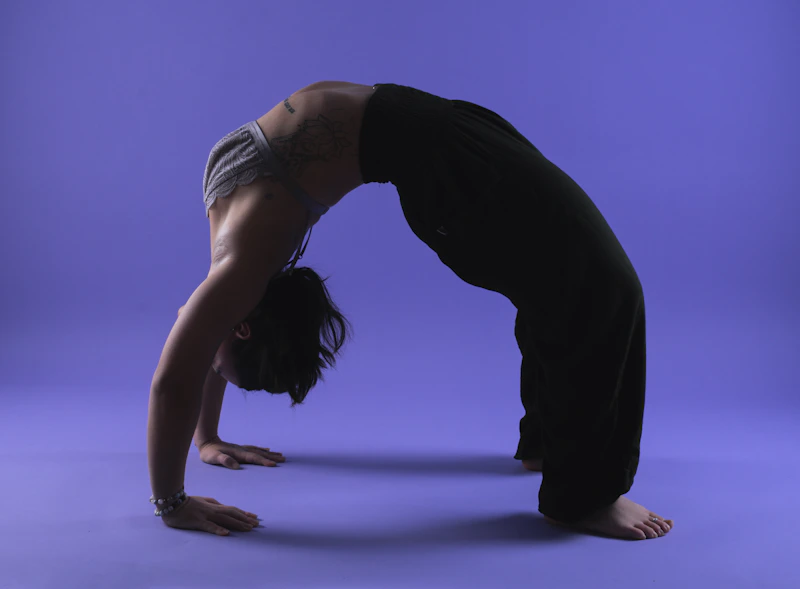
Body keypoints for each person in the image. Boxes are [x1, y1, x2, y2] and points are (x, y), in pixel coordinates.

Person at [147, 81, 674, 541]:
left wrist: (172, 504)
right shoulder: (239, 265)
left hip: (445, 153)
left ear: (240, 327)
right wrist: (206, 438)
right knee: (583, 284)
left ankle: (562, 468)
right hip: (433, 144)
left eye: (221, 372)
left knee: (596, 286)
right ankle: (580, 493)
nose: (209, 370)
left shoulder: (240, 265)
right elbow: (197, 347)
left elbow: (175, 379)